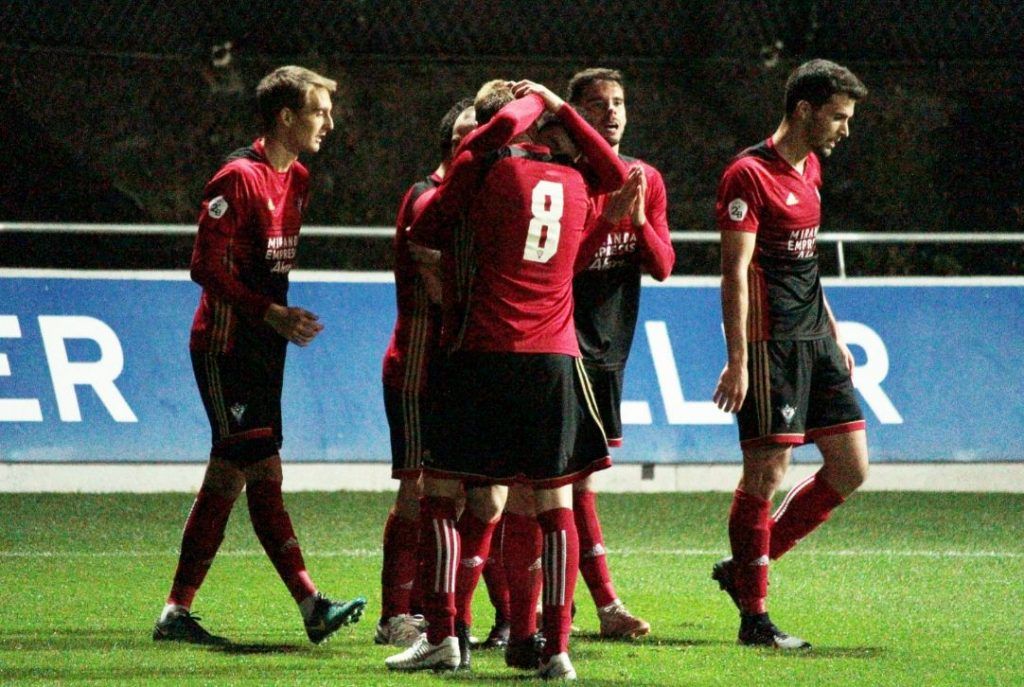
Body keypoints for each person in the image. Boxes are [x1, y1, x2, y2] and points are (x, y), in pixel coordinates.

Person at [384, 79, 636, 680]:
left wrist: (524, 113)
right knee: (555, 505)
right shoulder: (579, 183)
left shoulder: (483, 174)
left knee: (441, 495)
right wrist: (557, 104)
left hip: (484, 353)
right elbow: (614, 172)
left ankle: (444, 635)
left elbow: (429, 231)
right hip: (555, 360)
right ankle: (556, 649)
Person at [152, 65, 366, 646]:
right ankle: (309, 603)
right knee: (262, 471)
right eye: (319, 110)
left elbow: (270, 268)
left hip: (264, 349)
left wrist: (280, 318)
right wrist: (271, 313)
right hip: (224, 349)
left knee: (228, 475)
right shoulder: (236, 179)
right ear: (286, 117)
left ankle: (176, 612)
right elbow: (204, 266)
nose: (329, 121)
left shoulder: (297, 178)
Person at [711, 58, 869, 649]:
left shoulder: (811, 170)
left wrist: (833, 331)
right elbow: (733, 272)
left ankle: (744, 568)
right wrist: (738, 360)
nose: (844, 130)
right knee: (767, 472)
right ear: (804, 110)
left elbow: (807, 262)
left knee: (851, 466)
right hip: (770, 342)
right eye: (838, 117)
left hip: (816, 340)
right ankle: (755, 618)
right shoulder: (747, 175)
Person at [559, 66, 675, 639]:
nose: (613, 112)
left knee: (569, 482)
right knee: (566, 482)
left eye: (620, 102)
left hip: (611, 351)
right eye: (599, 103)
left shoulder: (644, 179)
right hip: (559, 346)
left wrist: (635, 222)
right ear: (576, 113)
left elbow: (662, 265)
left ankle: (552, 606)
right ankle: (594, 605)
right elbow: (558, 269)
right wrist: (605, 221)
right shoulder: (564, 180)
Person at [376, 98, 476, 647]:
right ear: (447, 146)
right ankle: (395, 614)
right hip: (417, 368)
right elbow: (440, 288)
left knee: (454, 494)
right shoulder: (426, 198)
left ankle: (425, 609)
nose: (473, 143)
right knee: (416, 490)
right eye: (464, 136)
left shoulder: (464, 201)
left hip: (452, 370)